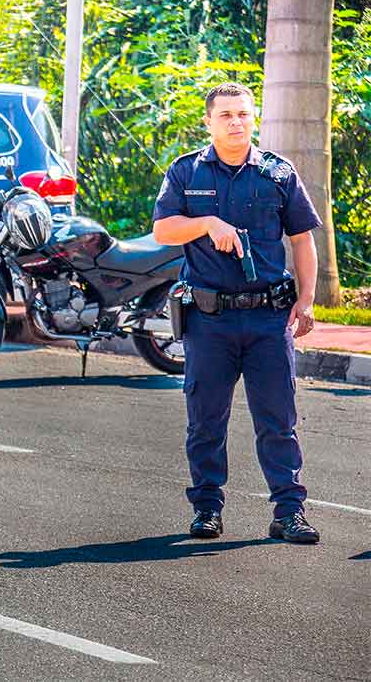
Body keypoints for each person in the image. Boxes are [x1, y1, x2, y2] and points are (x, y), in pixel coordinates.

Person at [153, 82, 321, 543]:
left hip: (269, 318)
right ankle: (207, 508)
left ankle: (289, 512)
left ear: (254, 119)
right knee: (206, 420)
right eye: (226, 115)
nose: (235, 122)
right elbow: (164, 230)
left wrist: (306, 301)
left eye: (243, 114)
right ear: (208, 121)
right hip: (210, 320)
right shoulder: (186, 172)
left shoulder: (278, 174)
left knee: (278, 419)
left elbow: (303, 239)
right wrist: (206, 223)